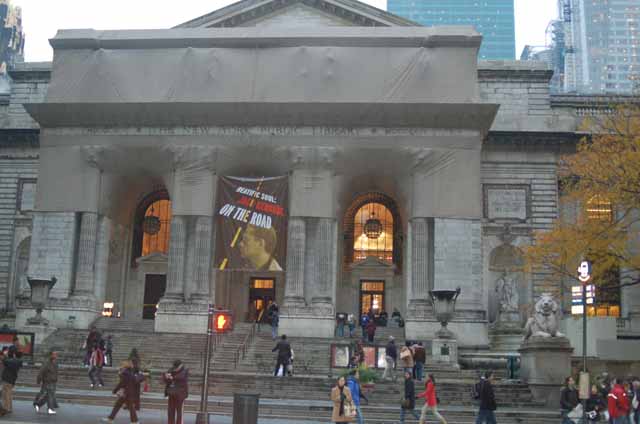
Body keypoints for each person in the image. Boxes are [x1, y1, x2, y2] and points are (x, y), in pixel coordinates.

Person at [163, 359, 189, 424]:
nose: (175, 369)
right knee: (170, 411)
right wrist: (166, 376)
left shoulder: (185, 370)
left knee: (179, 412)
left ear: (180, 365)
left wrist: (172, 377)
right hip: (171, 393)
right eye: (175, 367)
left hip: (180, 394)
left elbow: (181, 377)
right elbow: (165, 378)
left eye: (177, 367)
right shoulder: (171, 369)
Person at [33, 350, 59, 415]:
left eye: (56, 354)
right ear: (51, 355)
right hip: (47, 381)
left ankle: (38, 404)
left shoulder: (55, 363)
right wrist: (38, 380)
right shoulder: (47, 363)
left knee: (48, 396)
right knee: (50, 395)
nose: (56, 356)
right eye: (54, 354)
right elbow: (41, 372)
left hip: (53, 382)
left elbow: (55, 373)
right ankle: (50, 409)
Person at [1, 347, 22, 415]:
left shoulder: (13, 361)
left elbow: (5, 361)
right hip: (12, 380)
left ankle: (5, 408)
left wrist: (5, 355)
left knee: (5, 394)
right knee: (9, 394)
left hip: (7, 379)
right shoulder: (18, 361)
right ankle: (9, 408)